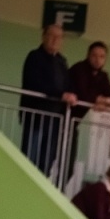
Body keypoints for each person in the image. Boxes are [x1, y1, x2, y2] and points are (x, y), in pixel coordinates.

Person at [19, 24, 76, 174]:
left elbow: (68, 85)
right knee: (29, 163)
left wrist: (71, 95)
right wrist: (60, 95)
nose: (55, 40)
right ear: (43, 37)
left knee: (46, 163)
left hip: (54, 122)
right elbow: (35, 83)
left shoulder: (62, 61)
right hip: (36, 119)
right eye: (52, 35)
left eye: (59, 37)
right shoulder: (34, 57)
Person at [67, 41, 110, 112]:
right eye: (94, 55)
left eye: (102, 57)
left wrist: (103, 104)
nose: (97, 60)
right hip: (61, 111)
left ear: (105, 59)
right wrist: (103, 100)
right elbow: (83, 95)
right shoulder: (79, 68)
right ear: (88, 56)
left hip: (75, 116)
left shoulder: (102, 76)